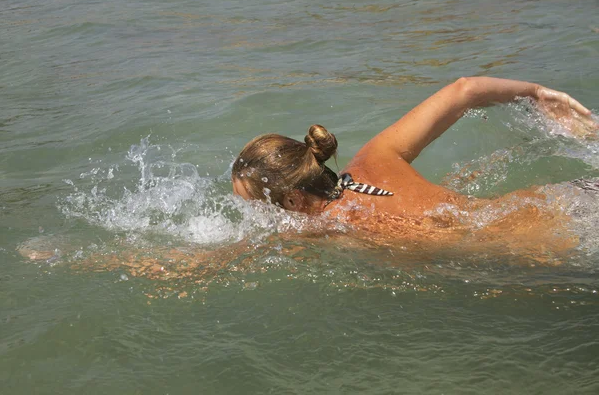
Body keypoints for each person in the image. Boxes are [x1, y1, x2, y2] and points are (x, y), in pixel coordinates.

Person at [232, 77, 598, 256]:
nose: (255, 219)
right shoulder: (374, 158)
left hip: (567, 241)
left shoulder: (342, 228)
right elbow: (465, 89)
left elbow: (256, 251)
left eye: (253, 208)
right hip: (571, 196)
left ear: (294, 201)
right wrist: (537, 93)